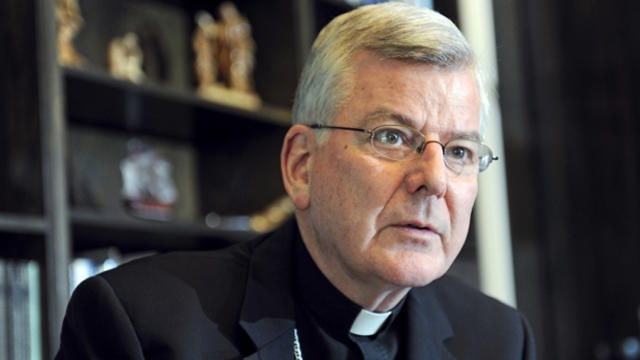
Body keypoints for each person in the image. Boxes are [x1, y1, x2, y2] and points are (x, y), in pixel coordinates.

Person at [56, 3, 536, 359]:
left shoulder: (500, 340)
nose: (433, 179)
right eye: (391, 136)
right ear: (301, 166)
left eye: (459, 152)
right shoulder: (141, 325)